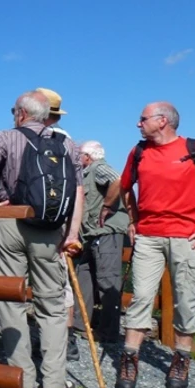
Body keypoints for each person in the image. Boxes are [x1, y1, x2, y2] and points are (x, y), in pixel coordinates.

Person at [115, 102, 195, 388]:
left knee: (185, 300)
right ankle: (129, 358)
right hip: (147, 237)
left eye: (142, 119)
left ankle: (181, 360)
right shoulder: (138, 152)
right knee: (141, 297)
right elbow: (124, 187)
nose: (138, 124)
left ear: (162, 121)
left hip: (187, 237)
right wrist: (133, 219)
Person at [0, 90, 84, 388]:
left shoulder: (7, 138)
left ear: (21, 112)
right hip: (50, 229)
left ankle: (21, 380)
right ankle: (54, 383)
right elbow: (77, 190)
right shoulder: (66, 143)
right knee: (52, 305)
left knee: (11, 301)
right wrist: (71, 233)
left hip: (10, 223)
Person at [37, 87, 80, 362]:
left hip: (48, 219)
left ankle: (63, 336)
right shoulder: (68, 141)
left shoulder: (53, 140)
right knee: (57, 280)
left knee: (57, 280)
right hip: (61, 217)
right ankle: (64, 336)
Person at [73, 140, 129, 344]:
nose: (78, 158)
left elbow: (118, 180)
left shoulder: (99, 168)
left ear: (88, 157)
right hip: (92, 235)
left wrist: (107, 205)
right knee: (84, 276)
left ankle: (108, 333)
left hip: (106, 233)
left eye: (80, 155)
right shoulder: (89, 172)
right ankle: (80, 325)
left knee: (107, 281)